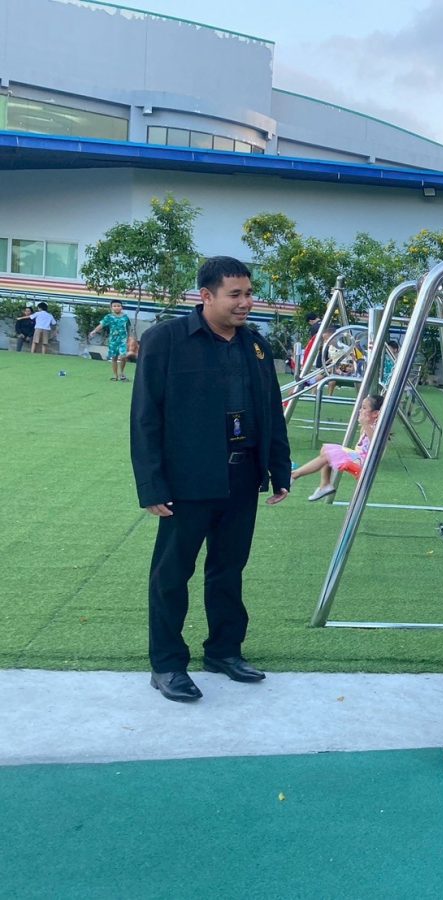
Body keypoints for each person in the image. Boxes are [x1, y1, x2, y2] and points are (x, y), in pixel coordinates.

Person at [130, 256, 291, 703]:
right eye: (235, 294)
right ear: (206, 295)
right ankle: (167, 664)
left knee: (228, 569)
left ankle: (224, 651)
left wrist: (279, 467)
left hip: (242, 476)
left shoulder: (255, 346)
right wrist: (151, 484)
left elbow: (270, 410)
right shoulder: (166, 341)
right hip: (187, 481)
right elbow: (145, 416)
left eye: (249, 293)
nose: (245, 302)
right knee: (172, 574)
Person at [292, 394, 383, 500]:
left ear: (375, 413)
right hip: (358, 458)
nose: (360, 410)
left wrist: (365, 424)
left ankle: (294, 475)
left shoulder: (379, 429)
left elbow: (377, 444)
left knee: (329, 454)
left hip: (365, 463)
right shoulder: (367, 426)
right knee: (326, 449)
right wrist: (365, 424)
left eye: (364, 408)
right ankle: (324, 484)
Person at [89, 299, 133, 381]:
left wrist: (129, 337)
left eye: (118, 306)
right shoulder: (109, 317)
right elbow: (102, 325)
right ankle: (115, 375)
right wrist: (94, 331)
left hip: (123, 340)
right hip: (113, 340)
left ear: (121, 307)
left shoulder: (125, 317)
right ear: (111, 307)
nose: (117, 307)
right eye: (114, 306)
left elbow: (128, 327)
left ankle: (122, 373)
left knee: (123, 356)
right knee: (114, 358)